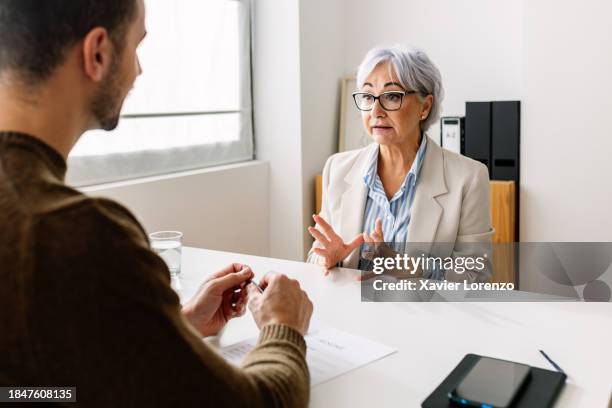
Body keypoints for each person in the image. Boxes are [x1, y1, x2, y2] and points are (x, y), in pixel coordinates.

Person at [0, 0, 313, 406]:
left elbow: (31, 386)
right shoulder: (73, 231)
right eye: (137, 47)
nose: (139, 71)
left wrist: (170, 328)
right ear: (97, 52)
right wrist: (283, 327)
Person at [308, 46, 493, 282]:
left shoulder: (468, 177)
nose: (376, 110)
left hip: (428, 316)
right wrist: (329, 260)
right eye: (367, 96)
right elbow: (317, 257)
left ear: (424, 107)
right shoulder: (337, 168)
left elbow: (478, 276)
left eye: (392, 96)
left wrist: (414, 270)